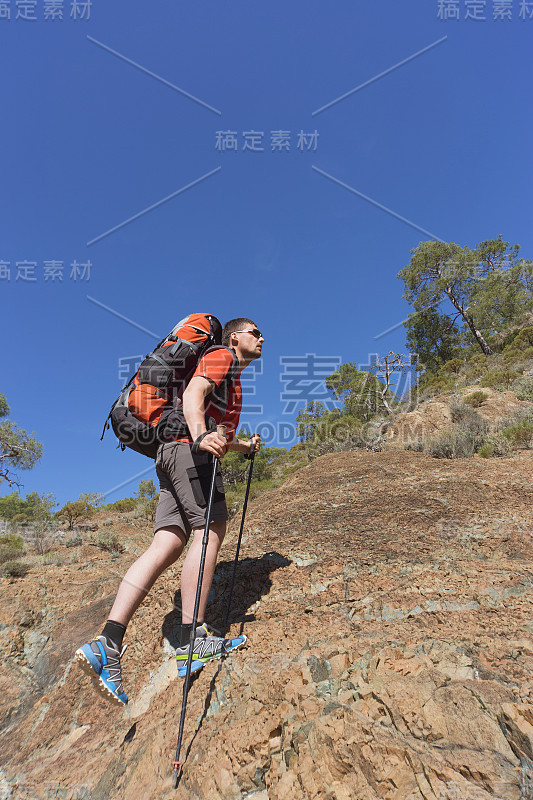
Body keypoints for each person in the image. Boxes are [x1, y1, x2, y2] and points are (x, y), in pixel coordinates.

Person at [75, 319, 264, 705]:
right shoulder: (221, 355)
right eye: (255, 332)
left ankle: (107, 642)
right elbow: (194, 396)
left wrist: (245, 446)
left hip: (170, 451)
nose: (261, 338)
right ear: (234, 337)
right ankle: (193, 638)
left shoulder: (230, 377)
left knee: (167, 543)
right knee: (210, 529)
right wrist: (197, 435)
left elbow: (218, 432)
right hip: (187, 448)